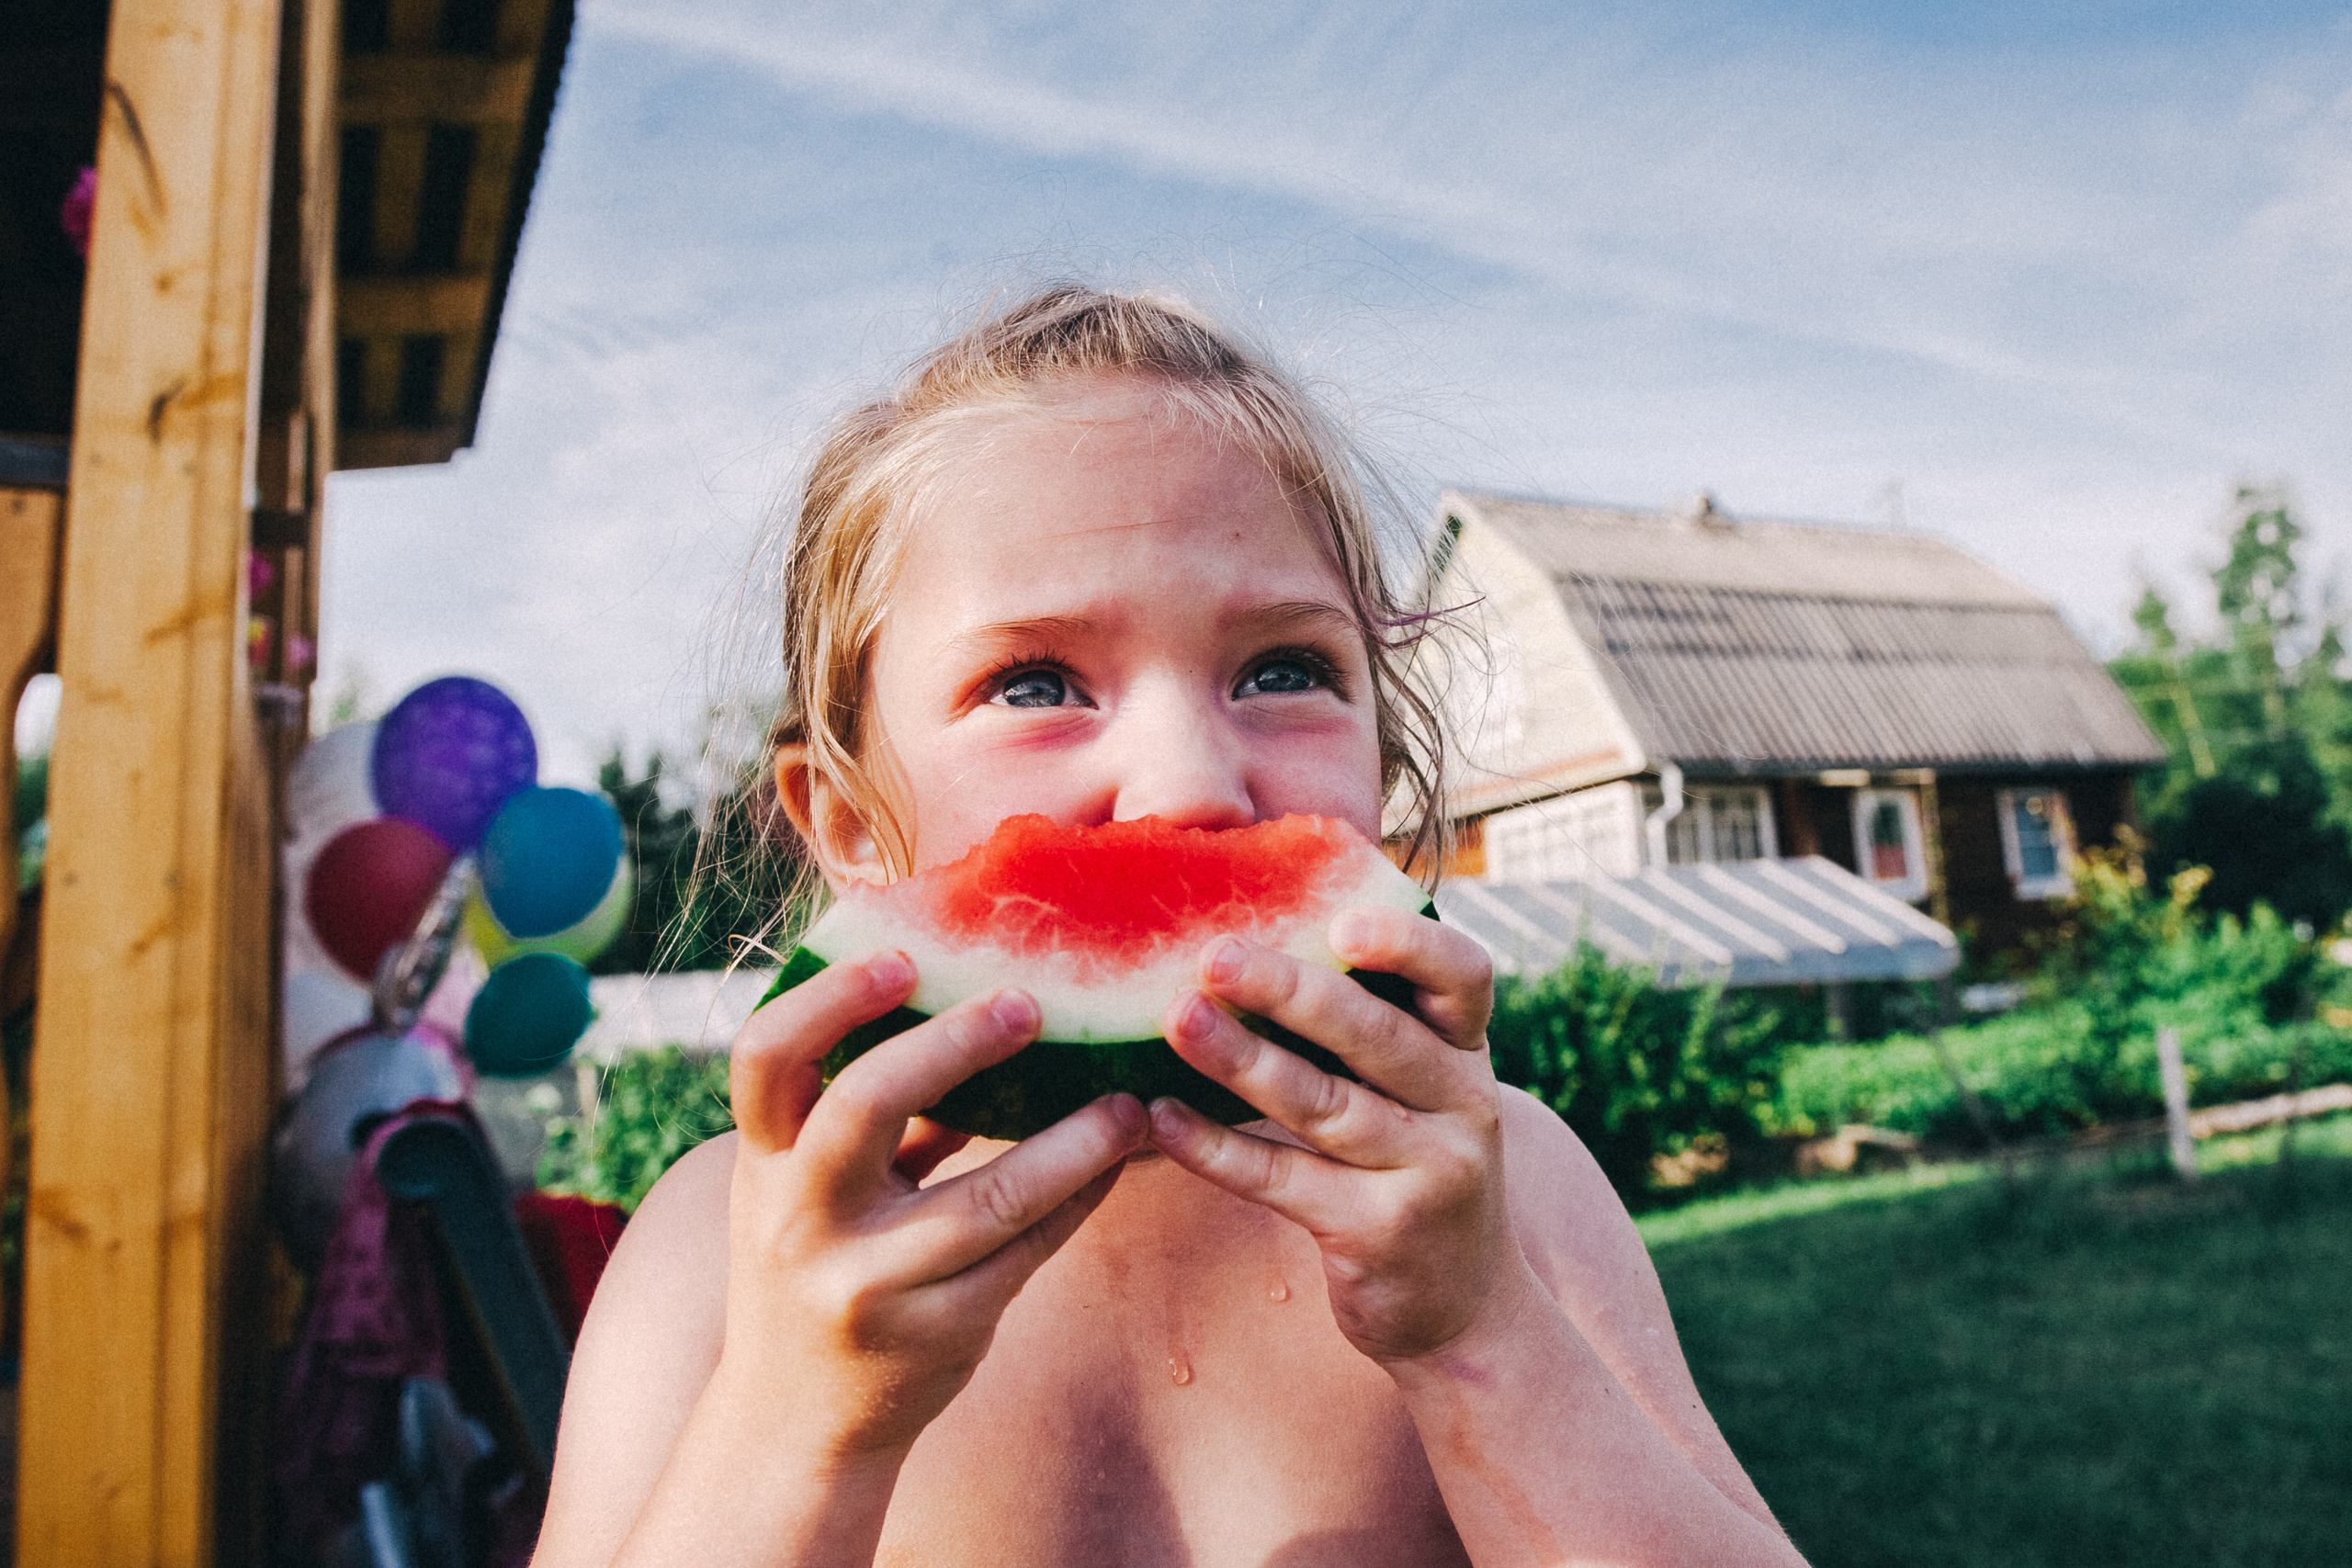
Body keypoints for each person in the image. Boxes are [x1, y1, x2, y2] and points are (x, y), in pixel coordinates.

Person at [532, 286, 1805, 1567]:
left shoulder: (1505, 1196)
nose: (1192, 781)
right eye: (1035, 682)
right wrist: (797, 1423)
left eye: (1284, 670)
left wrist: (1485, 1340)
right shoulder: (718, 1253)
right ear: (850, 823)